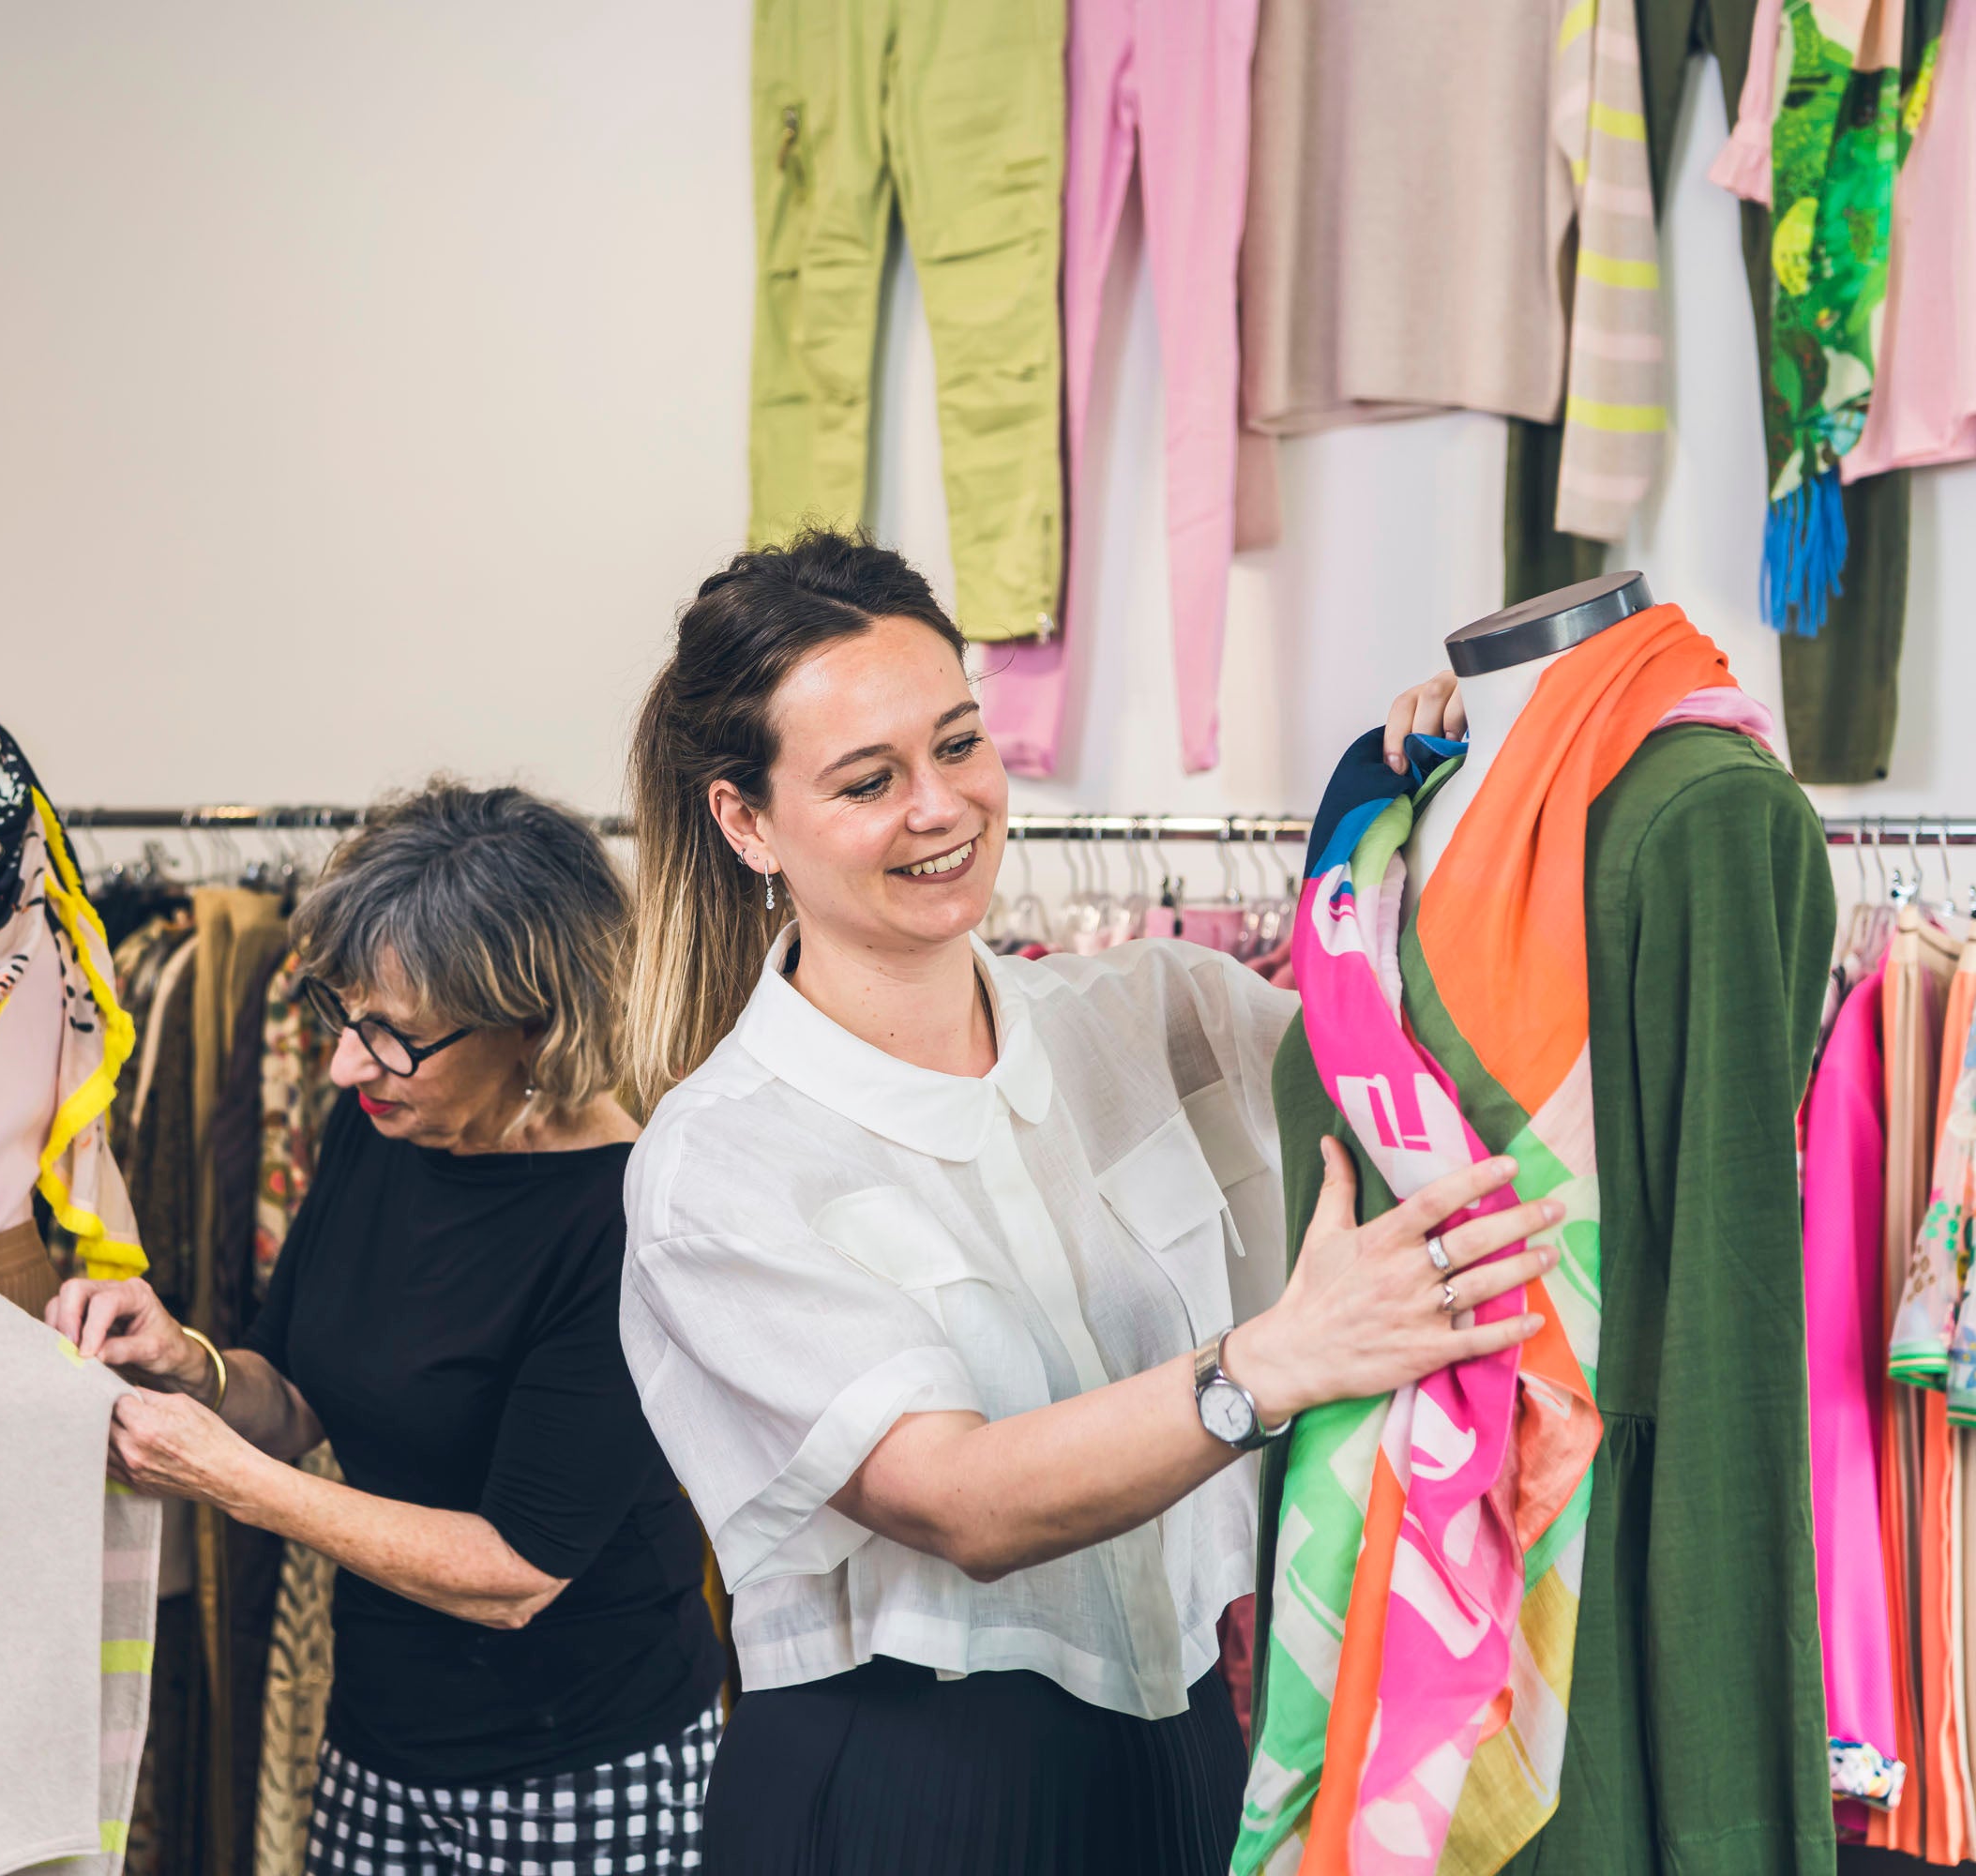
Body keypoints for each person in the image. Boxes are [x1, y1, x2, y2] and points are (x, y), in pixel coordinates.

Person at [618, 530, 1555, 1875]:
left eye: (957, 744)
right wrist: (1264, 1369)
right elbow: (955, 1499)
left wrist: (1469, 787)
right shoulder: (724, 1159)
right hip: (900, 1795)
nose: (940, 807)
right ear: (746, 821)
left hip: (1185, 1756)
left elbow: (1433, 1062)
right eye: (869, 781)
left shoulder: (1163, 1013)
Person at [50, 782, 728, 1876]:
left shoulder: (627, 1220)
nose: (343, 1063)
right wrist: (187, 1359)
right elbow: (302, 1396)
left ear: (535, 1023)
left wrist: (228, 1479)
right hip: (377, 1742)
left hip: (582, 1768)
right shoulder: (388, 1124)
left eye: (392, 1035)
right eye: (340, 1014)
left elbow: (516, 1574)